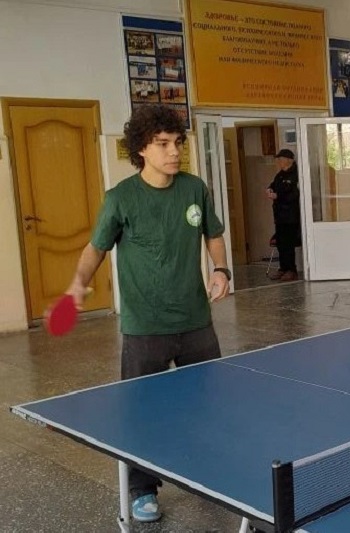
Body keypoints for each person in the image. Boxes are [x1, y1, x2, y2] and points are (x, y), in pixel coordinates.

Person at [64, 104, 231, 522]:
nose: (174, 151)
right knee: (142, 414)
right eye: (163, 144)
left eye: (177, 143)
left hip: (196, 322)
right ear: (141, 148)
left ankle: (210, 472)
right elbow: (95, 248)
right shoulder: (121, 198)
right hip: (145, 328)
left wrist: (221, 269)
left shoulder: (194, 189)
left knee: (212, 404)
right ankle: (142, 490)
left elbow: (213, 234)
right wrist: (78, 283)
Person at [267, 148, 301, 282]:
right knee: (280, 243)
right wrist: (269, 190)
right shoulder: (280, 175)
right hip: (279, 216)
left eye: (280, 159)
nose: (278, 162)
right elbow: (272, 185)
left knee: (288, 244)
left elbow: (294, 195)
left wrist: (278, 196)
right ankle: (283, 268)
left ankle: (291, 270)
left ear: (288, 160)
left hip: (291, 216)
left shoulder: (296, 175)